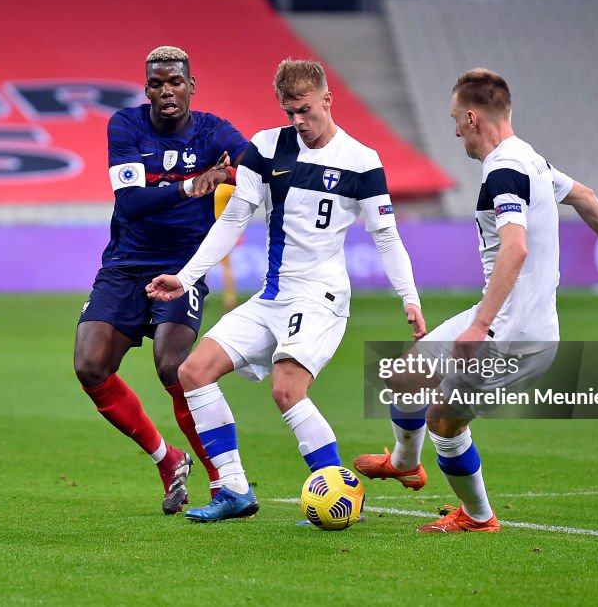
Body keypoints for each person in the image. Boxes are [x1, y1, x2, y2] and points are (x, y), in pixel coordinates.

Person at [353, 68, 598, 533]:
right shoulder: (531, 160)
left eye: (455, 119)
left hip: (513, 338)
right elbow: (587, 197)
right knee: (405, 374)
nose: (454, 129)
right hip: (500, 320)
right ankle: (403, 463)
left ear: (473, 117)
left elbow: (515, 248)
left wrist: (480, 327)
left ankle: (478, 517)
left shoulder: (504, 170)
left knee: (444, 423)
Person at [146, 58, 427, 522]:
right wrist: (187, 276)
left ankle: (339, 493)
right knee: (193, 370)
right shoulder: (267, 147)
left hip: (321, 298)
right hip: (273, 295)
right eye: (289, 111)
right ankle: (234, 490)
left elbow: (386, 236)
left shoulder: (361, 161)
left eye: (305, 110)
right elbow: (234, 218)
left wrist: (409, 297)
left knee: (286, 389)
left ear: (326, 99)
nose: (299, 121)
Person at [74, 46, 246, 515]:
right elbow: (130, 203)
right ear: (146, 88)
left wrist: (244, 171)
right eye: (156, 84)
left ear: (191, 86)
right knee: (90, 367)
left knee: (174, 366)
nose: (165, 91)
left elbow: (253, 163)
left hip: (182, 265)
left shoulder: (214, 131)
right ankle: (167, 459)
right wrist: (193, 184)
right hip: (126, 263)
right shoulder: (126, 126)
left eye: (174, 82)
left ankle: (223, 482)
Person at [213, 182, 239, 311]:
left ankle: (230, 297)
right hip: (218, 229)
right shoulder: (231, 187)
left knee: (225, 264)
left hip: (221, 231)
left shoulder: (226, 188)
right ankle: (229, 296)